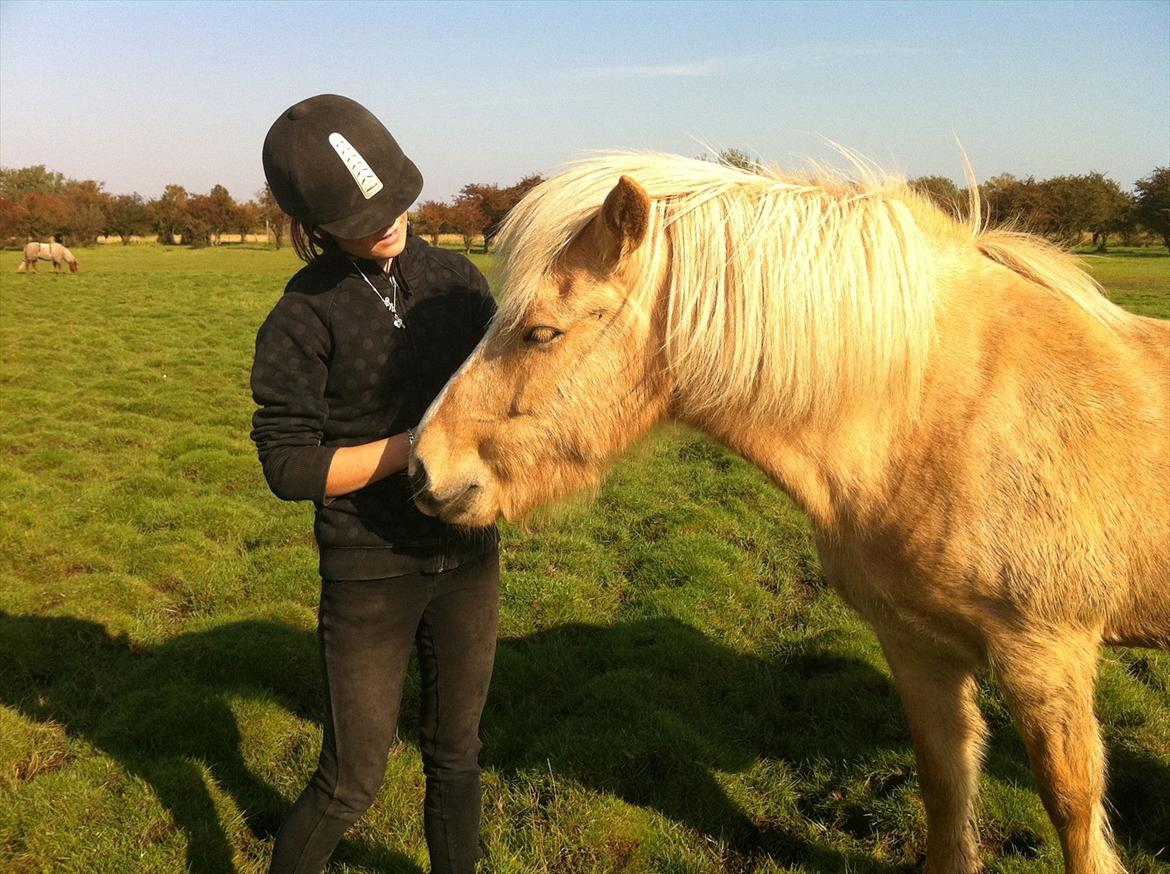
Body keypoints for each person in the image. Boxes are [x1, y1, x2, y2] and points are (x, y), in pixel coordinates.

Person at [251, 94, 500, 874]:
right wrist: (413, 447)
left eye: (394, 200)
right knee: (352, 781)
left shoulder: (458, 282)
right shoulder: (302, 316)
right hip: (368, 574)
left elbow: (502, 394)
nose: (387, 221)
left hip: (468, 561)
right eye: (360, 217)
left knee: (457, 754)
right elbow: (288, 466)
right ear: (311, 226)